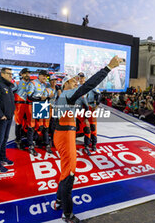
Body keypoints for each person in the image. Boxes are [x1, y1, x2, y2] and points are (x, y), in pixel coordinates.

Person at [53, 55, 123, 223]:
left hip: (63, 133)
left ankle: (59, 201)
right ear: (64, 85)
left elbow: (87, 103)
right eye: (72, 81)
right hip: (65, 136)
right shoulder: (67, 95)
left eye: (77, 81)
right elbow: (89, 85)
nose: (76, 82)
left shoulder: (67, 97)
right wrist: (108, 68)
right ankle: (67, 214)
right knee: (69, 175)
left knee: (65, 171)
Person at [0, 68, 15, 173]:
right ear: (2, 74)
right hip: (1, 118)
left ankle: (3, 157)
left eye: (11, 74)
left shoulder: (8, 85)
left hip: (8, 117)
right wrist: (1, 115)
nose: (10, 76)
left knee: (5, 139)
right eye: (8, 74)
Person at [26, 70, 49, 156]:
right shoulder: (33, 83)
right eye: (43, 76)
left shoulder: (45, 84)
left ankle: (35, 141)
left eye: (46, 76)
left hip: (41, 106)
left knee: (40, 126)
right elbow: (29, 96)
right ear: (39, 76)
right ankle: (30, 146)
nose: (45, 78)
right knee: (31, 126)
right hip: (32, 106)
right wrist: (40, 99)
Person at [13, 68, 31, 149]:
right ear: (21, 74)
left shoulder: (32, 84)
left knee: (29, 123)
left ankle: (28, 139)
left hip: (29, 106)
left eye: (28, 73)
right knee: (18, 123)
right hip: (19, 106)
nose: (27, 75)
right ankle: (18, 140)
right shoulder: (17, 83)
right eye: (25, 73)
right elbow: (9, 91)